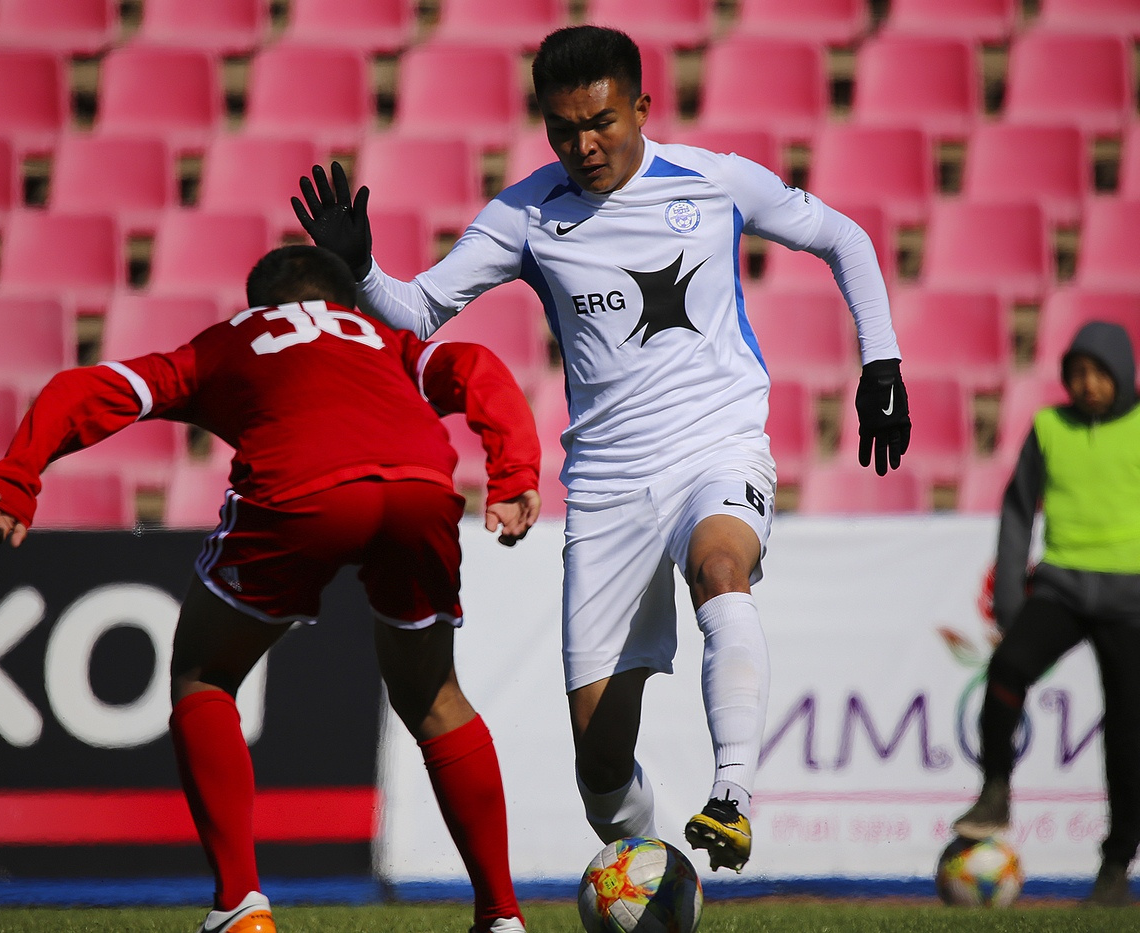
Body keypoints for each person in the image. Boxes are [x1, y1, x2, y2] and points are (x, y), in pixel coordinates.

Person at [292, 24, 911, 874]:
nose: (583, 145)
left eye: (601, 122)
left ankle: (731, 796)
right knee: (601, 762)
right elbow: (421, 310)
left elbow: (846, 238)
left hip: (717, 446)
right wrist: (361, 272)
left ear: (642, 108)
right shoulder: (526, 213)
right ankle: (654, 873)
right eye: (563, 129)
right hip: (608, 487)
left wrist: (882, 361)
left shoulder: (714, 180)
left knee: (721, 568)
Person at [0, 245, 542, 933]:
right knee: (433, 696)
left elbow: (87, 387)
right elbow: (475, 365)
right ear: (345, 304)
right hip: (419, 487)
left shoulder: (229, 340)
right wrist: (514, 471)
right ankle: (501, 916)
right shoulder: (382, 338)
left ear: (259, 304)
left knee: (204, 674)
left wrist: (19, 475)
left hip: (301, 489)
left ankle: (241, 904)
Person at [952, 321, 1140, 907]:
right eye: (1076, 373)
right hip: (1061, 587)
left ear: (1122, 373)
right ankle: (995, 790)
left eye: (1098, 373)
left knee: (1129, 733)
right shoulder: (1049, 427)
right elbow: (1017, 511)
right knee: (1007, 669)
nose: (1087, 384)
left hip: (1132, 598)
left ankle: (1115, 866)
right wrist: (1011, 598)